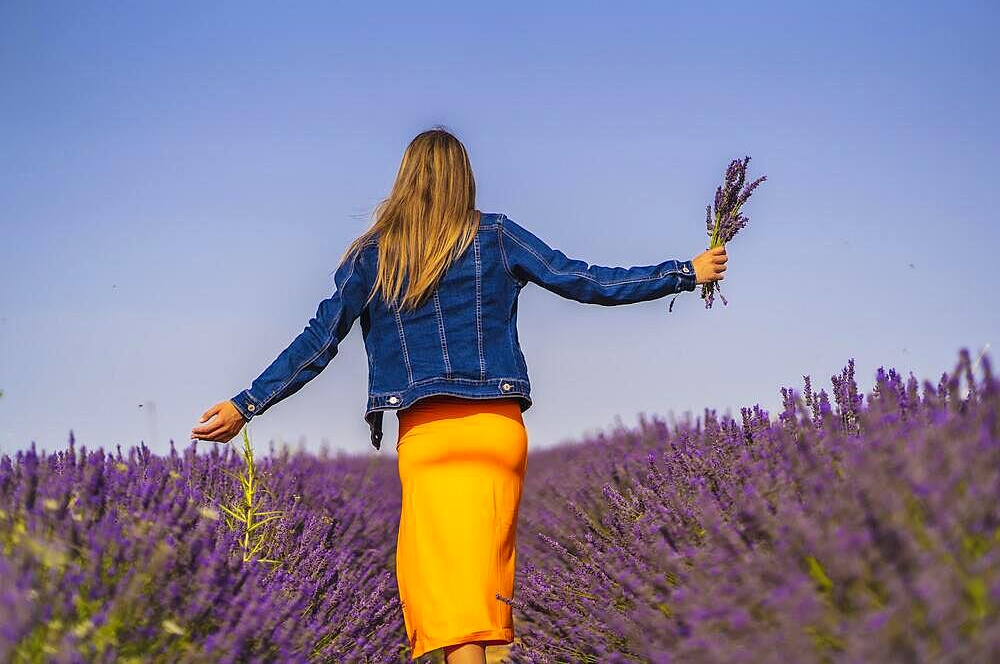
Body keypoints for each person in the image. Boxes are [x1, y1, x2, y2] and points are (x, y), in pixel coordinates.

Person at [190, 126, 728, 662]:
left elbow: (318, 340)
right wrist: (683, 272)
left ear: (405, 181)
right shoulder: (496, 235)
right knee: (485, 586)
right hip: (496, 432)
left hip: (428, 439)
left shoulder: (375, 255)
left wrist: (246, 404)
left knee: (448, 595)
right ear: (463, 179)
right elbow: (584, 280)